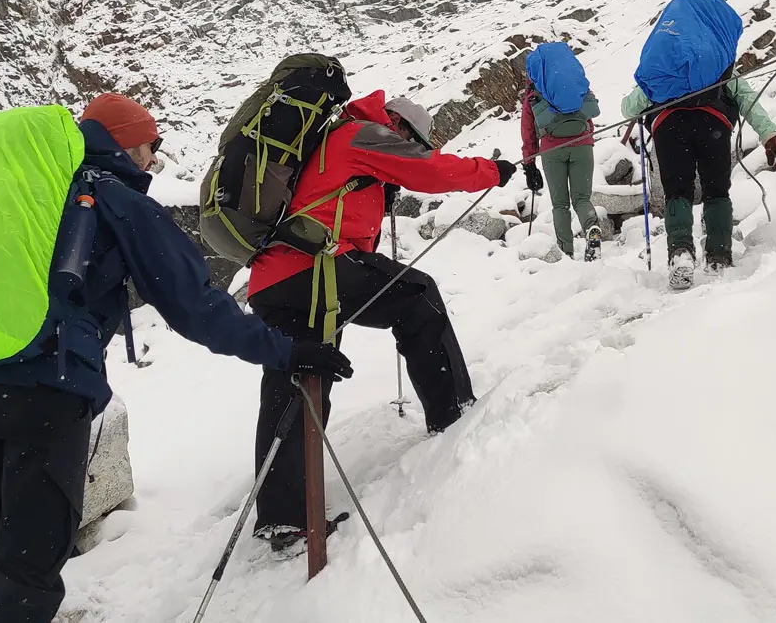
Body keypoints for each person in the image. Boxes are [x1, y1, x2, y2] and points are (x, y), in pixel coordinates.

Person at [0, 93, 349, 623]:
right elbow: (194, 305)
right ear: (127, 142)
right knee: (27, 571)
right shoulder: (112, 198)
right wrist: (287, 350)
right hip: (49, 397)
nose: (155, 157)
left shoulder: (27, 200)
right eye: (152, 145)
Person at [246, 91, 515, 549]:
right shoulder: (364, 133)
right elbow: (429, 170)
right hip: (317, 267)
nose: (413, 146)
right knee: (418, 297)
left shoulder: (332, 138)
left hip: (274, 279)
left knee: (297, 376)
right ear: (400, 126)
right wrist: (491, 172)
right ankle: (454, 415)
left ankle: (283, 517)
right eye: (414, 139)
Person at [621, 72, 776, 289]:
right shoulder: (717, 59)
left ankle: (680, 253)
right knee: (717, 191)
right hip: (714, 123)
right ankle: (718, 256)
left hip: (669, 125)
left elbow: (629, 108)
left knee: (677, 191)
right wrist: (769, 135)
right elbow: (745, 96)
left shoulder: (663, 63)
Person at [521, 71, 601, 261]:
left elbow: (528, 131)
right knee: (582, 198)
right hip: (582, 145)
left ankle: (566, 252)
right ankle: (591, 227)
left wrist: (529, 163)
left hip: (552, 150)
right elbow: (588, 115)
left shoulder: (534, 93)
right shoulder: (574, 84)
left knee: (560, 204)